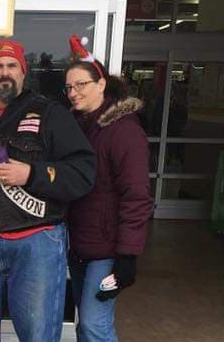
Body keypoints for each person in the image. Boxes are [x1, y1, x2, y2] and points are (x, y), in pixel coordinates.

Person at [0, 39, 97, 342]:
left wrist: (31, 173)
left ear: (23, 74)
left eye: (12, 66)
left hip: (36, 244)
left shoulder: (51, 115)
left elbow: (83, 172)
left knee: (38, 336)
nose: (5, 72)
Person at [64, 35, 154, 342]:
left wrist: (127, 254)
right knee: (86, 324)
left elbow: (137, 196)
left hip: (107, 248)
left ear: (101, 84)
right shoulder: (78, 126)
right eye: (69, 87)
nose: (73, 93)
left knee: (93, 324)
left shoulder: (124, 131)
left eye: (81, 85)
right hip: (80, 245)